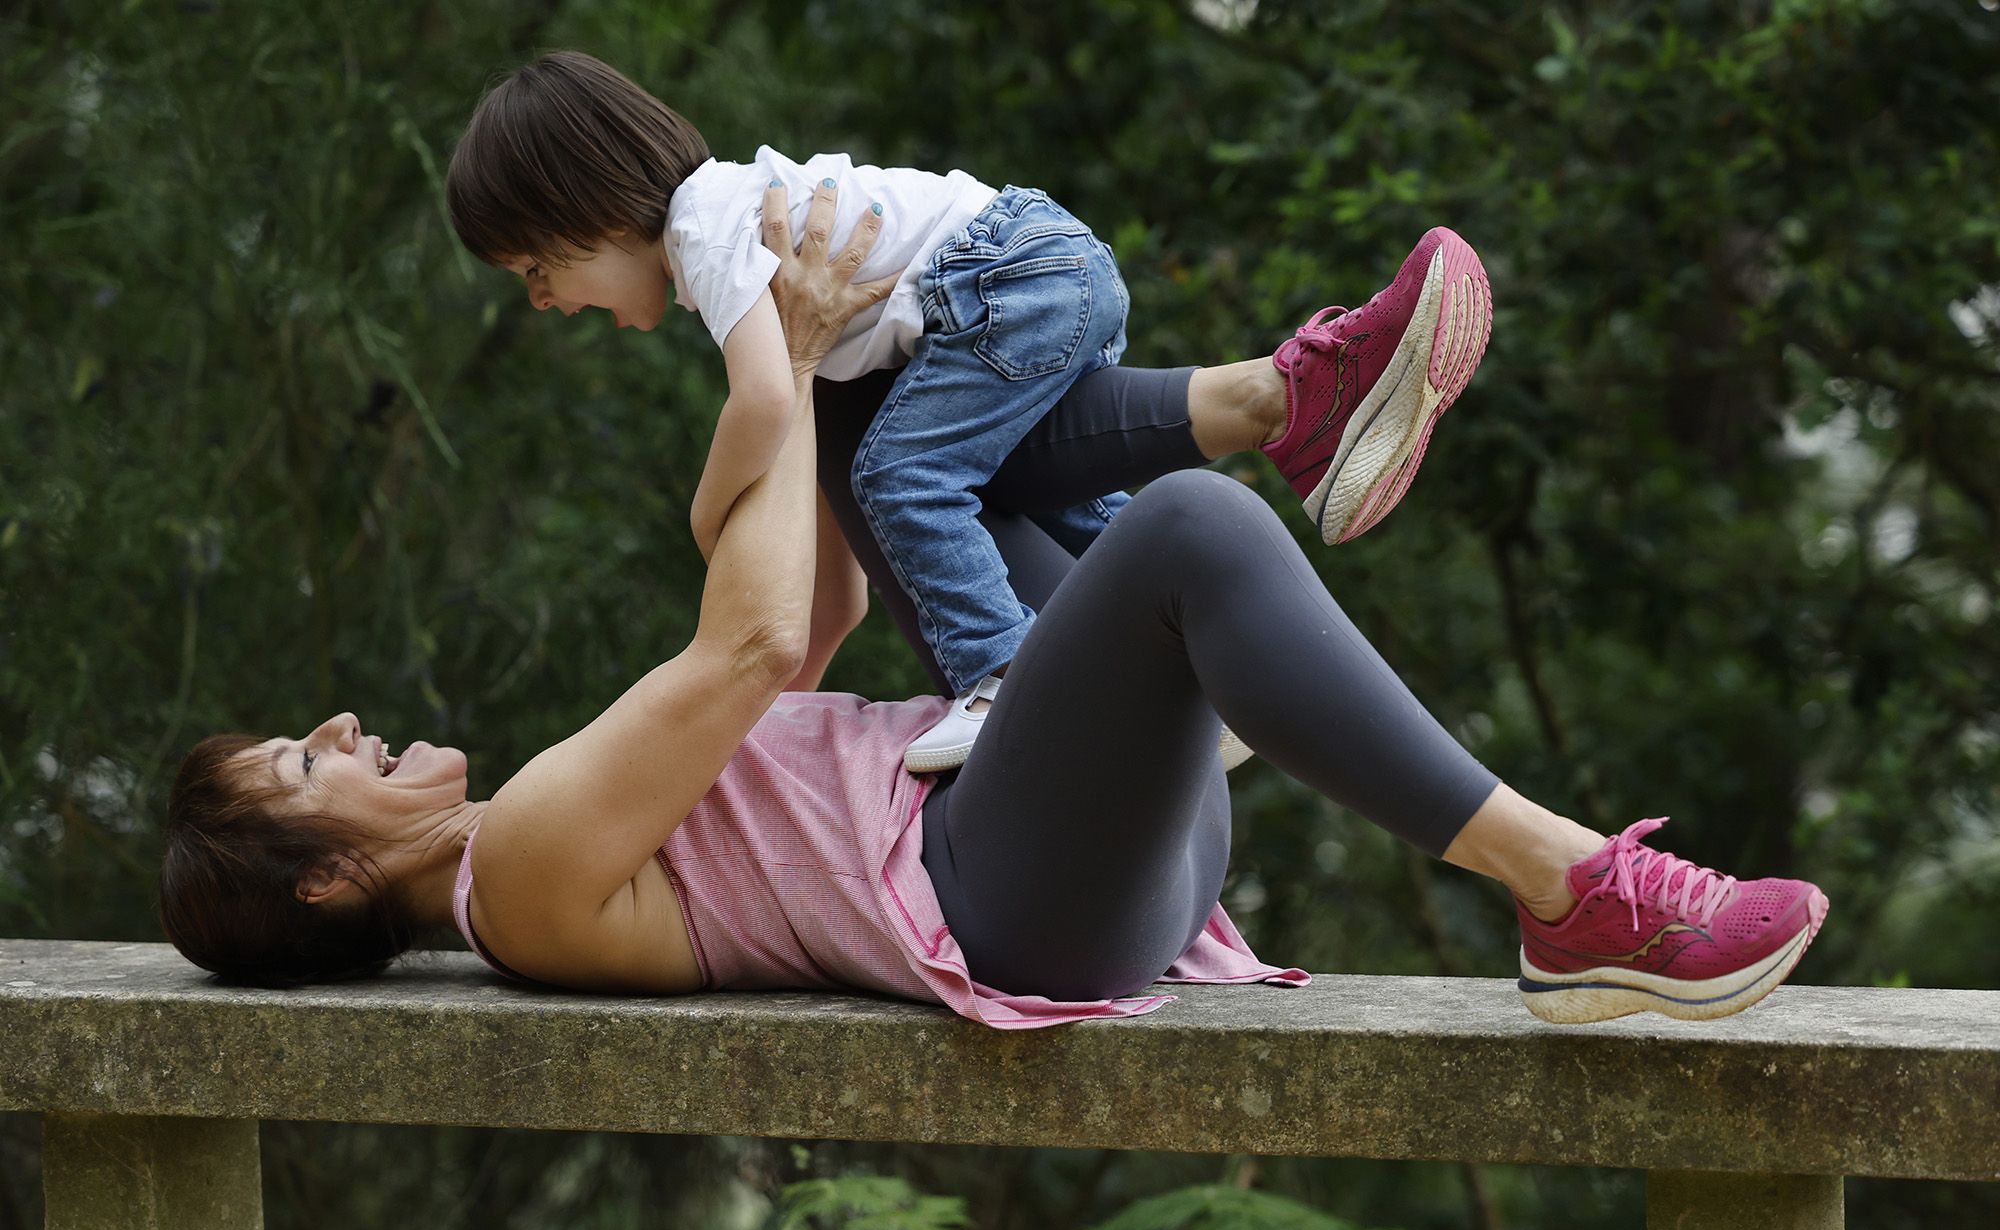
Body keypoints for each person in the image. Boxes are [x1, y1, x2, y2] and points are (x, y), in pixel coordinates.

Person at [159, 185, 1827, 1028]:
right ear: (326, 875)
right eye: (307, 768)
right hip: (1019, 891)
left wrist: (820, 382)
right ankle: (1575, 895)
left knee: (903, 418)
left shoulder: (531, 828)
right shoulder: (515, 871)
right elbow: (739, 647)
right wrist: (777, 356)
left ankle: (1288, 390)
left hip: (1050, 831)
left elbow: (800, 645)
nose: (341, 729)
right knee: (1179, 533)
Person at [442, 50, 1490, 772]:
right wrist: (751, 717)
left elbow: (767, 398)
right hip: (1040, 266)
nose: (541, 301)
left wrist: (706, 513)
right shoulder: (732, 217)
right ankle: (1283, 469)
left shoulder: (703, 228)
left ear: (585, 204)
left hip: (1002, 281)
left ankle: (1001, 678)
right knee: (1051, 496)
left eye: (536, 267)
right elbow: (834, 592)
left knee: (901, 476)